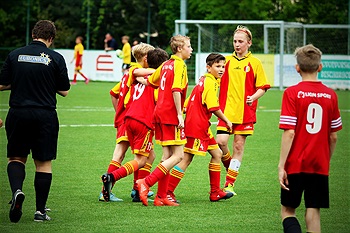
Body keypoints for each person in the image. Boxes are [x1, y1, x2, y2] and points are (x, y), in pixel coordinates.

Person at [0, 20, 70, 222]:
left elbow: (2, 84)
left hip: (18, 113)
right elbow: (64, 90)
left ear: (33, 35)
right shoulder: (56, 57)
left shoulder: (14, 55)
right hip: (44, 116)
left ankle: (17, 192)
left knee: (16, 158)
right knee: (43, 164)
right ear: (51, 38)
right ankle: (40, 211)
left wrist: (20, 82)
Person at [278, 44, 342, 233]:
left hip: (295, 163)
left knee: (288, 211)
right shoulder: (331, 95)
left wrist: (282, 165)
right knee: (313, 212)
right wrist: (325, 161)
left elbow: (289, 132)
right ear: (320, 67)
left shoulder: (291, 93)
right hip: (319, 164)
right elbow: (333, 137)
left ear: (297, 68)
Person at [101, 48, 169, 203]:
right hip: (141, 120)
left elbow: (113, 93)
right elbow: (160, 104)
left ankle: (138, 190)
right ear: (145, 58)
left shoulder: (134, 74)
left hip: (127, 117)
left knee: (149, 155)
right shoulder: (150, 77)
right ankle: (111, 181)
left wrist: (119, 113)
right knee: (137, 158)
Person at [167, 53, 233, 203]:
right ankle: (168, 191)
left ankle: (215, 192)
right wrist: (226, 120)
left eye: (223, 66)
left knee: (217, 154)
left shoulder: (205, 79)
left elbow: (190, 100)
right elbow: (213, 107)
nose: (221, 69)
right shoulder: (210, 82)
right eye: (217, 66)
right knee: (186, 159)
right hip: (197, 126)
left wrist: (184, 110)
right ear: (209, 68)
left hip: (202, 126)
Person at [136, 34, 193, 207]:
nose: (191, 49)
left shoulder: (166, 64)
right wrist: (179, 115)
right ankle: (146, 182)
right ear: (179, 48)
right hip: (170, 115)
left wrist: (134, 78)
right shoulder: (179, 65)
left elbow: (152, 81)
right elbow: (176, 89)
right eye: (189, 46)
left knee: (167, 155)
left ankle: (161, 197)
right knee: (179, 156)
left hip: (159, 113)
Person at [216, 25, 270, 195]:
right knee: (221, 142)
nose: (237, 44)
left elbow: (263, 86)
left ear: (249, 43)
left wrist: (253, 97)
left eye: (240, 41)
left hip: (245, 112)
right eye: (235, 41)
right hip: (225, 111)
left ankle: (229, 184)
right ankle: (231, 166)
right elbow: (212, 79)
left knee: (238, 146)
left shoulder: (255, 63)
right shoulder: (225, 61)